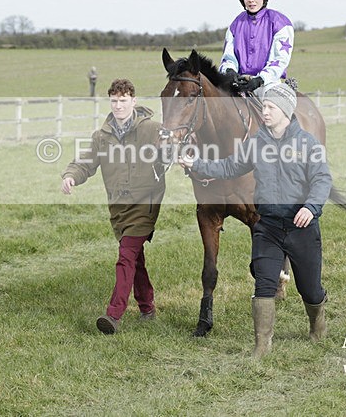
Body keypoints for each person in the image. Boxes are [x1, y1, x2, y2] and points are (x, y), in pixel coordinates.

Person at [178, 82, 331, 358]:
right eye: (264, 108)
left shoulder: (307, 144)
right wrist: (196, 164)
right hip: (268, 226)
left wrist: (311, 207)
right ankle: (262, 346)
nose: (265, 113)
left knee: (309, 288)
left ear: (285, 111)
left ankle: (317, 323)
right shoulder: (256, 143)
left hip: (301, 226)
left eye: (270, 108)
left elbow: (322, 179)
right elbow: (229, 166)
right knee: (263, 283)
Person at [61, 79, 166, 334]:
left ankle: (114, 315)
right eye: (114, 100)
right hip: (118, 209)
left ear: (134, 101)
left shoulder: (152, 129)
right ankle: (147, 307)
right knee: (135, 259)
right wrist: (71, 175)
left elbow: (172, 147)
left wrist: (174, 151)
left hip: (145, 204)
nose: (118, 105)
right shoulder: (102, 136)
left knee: (126, 256)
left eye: (123, 100)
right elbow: (85, 162)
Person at [219, 0, 295, 95]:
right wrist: (230, 71)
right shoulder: (236, 23)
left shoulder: (280, 22)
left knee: (273, 110)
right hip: (240, 84)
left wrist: (260, 79)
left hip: (268, 84)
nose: (251, 0)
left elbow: (279, 59)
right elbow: (228, 56)